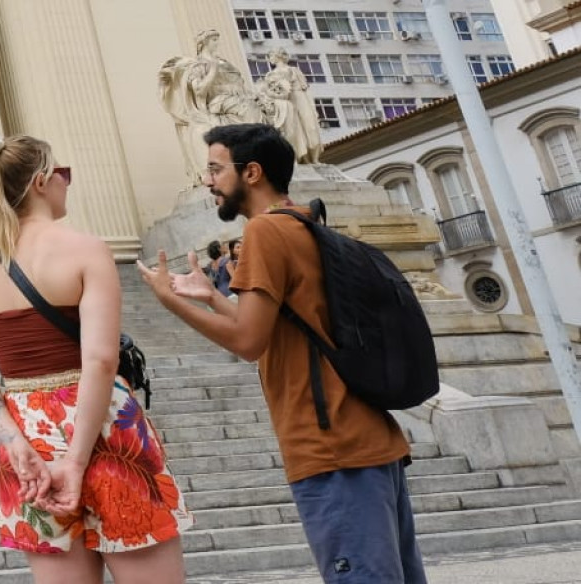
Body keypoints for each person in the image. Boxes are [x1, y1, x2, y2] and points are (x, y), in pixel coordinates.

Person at [139, 122, 423, 584]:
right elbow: (277, 326)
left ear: (251, 172)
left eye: (215, 169)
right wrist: (212, 297)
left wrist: (169, 301)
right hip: (368, 438)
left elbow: (249, 342)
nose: (207, 181)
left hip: (331, 448)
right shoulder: (301, 221)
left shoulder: (265, 234)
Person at [0, 134, 190, 575]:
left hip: (27, 437)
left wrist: (15, 444)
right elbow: (100, 360)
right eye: (62, 173)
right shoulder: (84, 248)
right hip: (102, 427)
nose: (67, 181)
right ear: (41, 181)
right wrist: (77, 461)